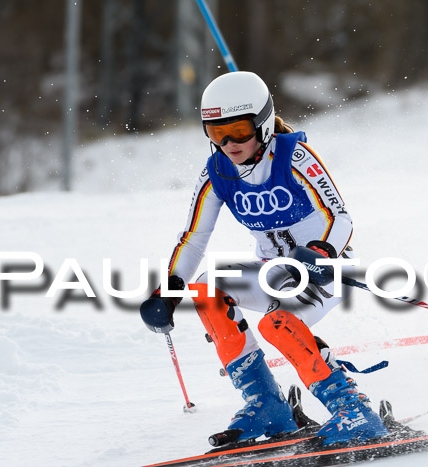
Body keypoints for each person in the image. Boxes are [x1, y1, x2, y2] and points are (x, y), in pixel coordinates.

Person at [140, 71, 389, 446]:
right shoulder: (217, 172)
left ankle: (354, 412)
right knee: (207, 288)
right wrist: (169, 290)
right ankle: (267, 406)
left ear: (264, 124)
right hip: (274, 273)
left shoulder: (294, 157)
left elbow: (339, 218)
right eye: (215, 132)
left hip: (326, 269)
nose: (228, 143)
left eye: (239, 130)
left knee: (279, 323)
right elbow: (193, 239)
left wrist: (322, 252)